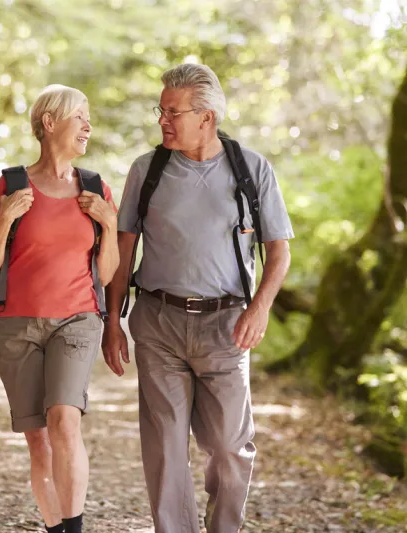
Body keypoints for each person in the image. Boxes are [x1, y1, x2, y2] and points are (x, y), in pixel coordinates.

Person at [102, 64, 294, 533]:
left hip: (226, 326)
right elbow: (124, 248)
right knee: (166, 449)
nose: (162, 120)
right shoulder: (147, 170)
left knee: (230, 446)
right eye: (160, 110)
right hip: (158, 321)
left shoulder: (251, 169)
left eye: (173, 112)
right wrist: (112, 319)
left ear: (206, 116)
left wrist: (260, 306)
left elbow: (279, 251)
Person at [0, 84, 119, 533]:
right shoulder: (12, 185)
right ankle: (56, 527)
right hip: (15, 323)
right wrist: (6, 219)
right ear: (50, 122)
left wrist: (109, 226)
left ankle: (72, 530)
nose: (88, 126)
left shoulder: (95, 189)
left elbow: (109, 272)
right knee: (39, 440)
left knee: (64, 420)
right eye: (80, 117)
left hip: (77, 320)